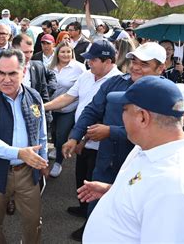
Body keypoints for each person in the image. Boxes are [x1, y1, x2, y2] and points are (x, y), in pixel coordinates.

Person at [62, 42, 166, 241]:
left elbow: (156, 132)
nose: (136, 66)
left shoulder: (166, 94)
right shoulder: (115, 83)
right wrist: (75, 136)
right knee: (95, 208)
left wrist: (111, 131)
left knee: (128, 218)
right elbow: (92, 109)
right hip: (106, 161)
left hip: (139, 168)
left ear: (160, 68)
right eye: (134, 60)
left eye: (144, 64)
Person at [80, 76, 184, 243]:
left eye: (124, 109)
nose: (122, 115)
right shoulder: (148, 148)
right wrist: (115, 191)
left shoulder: (175, 188)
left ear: (143, 117)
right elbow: (147, 194)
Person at [0, 49, 48, 244]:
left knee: (33, 222)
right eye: (1, 73)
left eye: (12, 73)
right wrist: (20, 153)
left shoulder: (34, 97)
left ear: (24, 72)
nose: (6, 79)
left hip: (27, 171)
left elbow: (41, 133)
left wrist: (44, 161)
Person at [44, 40, 121, 218]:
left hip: (101, 145)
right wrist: (43, 106)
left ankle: (90, 220)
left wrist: (82, 139)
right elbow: (67, 97)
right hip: (82, 140)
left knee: (96, 182)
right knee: (81, 179)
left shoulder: (118, 82)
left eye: (93, 59)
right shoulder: (86, 75)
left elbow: (103, 116)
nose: (89, 63)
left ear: (108, 61)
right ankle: (83, 209)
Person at [47, 41, 86, 177]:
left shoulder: (79, 68)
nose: (65, 54)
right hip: (52, 108)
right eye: (62, 51)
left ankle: (58, 162)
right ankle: (57, 147)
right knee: (54, 134)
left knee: (61, 134)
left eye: (68, 51)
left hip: (68, 109)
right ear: (57, 53)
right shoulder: (50, 67)